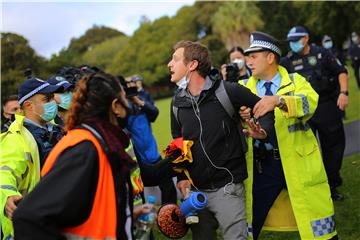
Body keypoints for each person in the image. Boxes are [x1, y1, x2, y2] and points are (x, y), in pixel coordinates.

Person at [12, 72, 148, 239]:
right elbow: (27, 217)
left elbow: (85, 209)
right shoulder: (86, 147)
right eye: (123, 97)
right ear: (115, 105)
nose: (127, 103)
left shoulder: (100, 140)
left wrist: (121, 218)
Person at [167, 40, 274, 240]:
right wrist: (181, 177)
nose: (169, 64)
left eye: (175, 59)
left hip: (228, 188)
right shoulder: (176, 103)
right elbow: (177, 141)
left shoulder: (228, 91)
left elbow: (264, 108)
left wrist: (263, 131)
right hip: (196, 193)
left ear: (192, 65)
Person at [239, 31, 337, 240]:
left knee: (319, 225)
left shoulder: (295, 81)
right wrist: (240, 115)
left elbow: (309, 103)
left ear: (270, 57)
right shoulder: (243, 87)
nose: (248, 61)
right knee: (248, 227)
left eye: (253, 56)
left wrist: (279, 100)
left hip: (299, 165)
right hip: (263, 168)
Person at [280, 26, 349, 201]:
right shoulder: (287, 61)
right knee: (307, 151)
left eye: (296, 40)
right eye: (291, 41)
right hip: (303, 111)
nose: (293, 44)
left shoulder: (323, 53)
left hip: (326, 105)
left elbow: (341, 72)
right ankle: (313, 187)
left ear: (306, 38)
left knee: (333, 146)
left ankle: (332, 184)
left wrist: (344, 93)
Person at [0, 77, 64, 240]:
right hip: (33, 226)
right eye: (46, 99)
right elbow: (4, 173)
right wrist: (8, 196)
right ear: (29, 105)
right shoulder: (16, 138)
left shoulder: (56, 129)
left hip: (57, 218)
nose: (53, 102)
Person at [124, 74, 178, 205]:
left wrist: (138, 101)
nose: (132, 85)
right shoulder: (122, 111)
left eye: (133, 83)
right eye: (128, 84)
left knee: (168, 185)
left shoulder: (141, 100)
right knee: (139, 189)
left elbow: (154, 112)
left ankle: (168, 213)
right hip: (138, 159)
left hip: (152, 153)